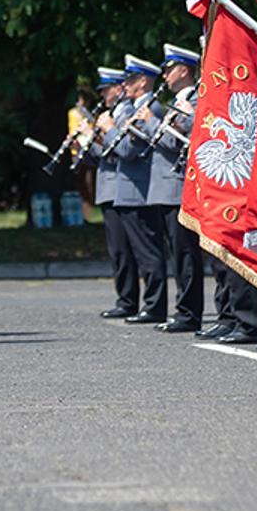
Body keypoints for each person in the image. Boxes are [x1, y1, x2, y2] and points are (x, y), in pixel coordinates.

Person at [112, 54, 169, 325]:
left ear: (143, 81)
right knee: (135, 252)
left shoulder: (152, 109)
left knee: (149, 253)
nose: (126, 84)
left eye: (131, 79)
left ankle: (155, 305)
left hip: (140, 189)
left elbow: (126, 149)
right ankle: (147, 304)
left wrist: (108, 130)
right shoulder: (137, 108)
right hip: (131, 189)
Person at [153, 45, 204, 334]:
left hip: (185, 186)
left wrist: (184, 119)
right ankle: (184, 309)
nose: (165, 75)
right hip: (173, 185)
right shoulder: (176, 101)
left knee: (187, 253)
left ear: (183, 70)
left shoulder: (196, 99)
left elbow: (190, 137)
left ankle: (189, 312)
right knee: (178, 252)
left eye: (169, 69)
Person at [82, 67, 137, 319]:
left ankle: (131, 301)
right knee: (117, 250)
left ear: (118, 89)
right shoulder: (110, 114)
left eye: (106, 89)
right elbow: (103, 154)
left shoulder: (125, 112)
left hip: (121, 188)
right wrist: (86, 142)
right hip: (108, 188)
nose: (103, 95)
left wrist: (106, 130)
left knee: (128, 249)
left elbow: (124, 150)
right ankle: (125, 298)